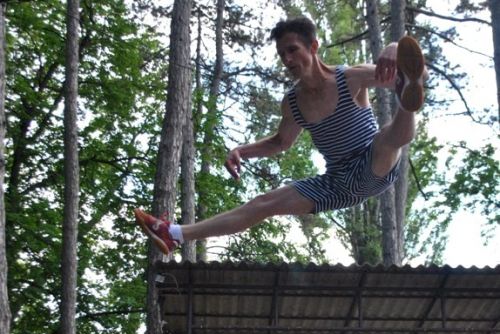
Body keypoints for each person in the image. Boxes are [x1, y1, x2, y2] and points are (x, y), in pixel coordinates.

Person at [134, 16, 427, 255]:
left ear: (313, 46)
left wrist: (394, 48)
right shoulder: (293, 103)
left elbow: (412, 73)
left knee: (387, 138)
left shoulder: (351, 77)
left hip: (373, 163)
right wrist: (242, 151)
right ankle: (174, 234)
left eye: (293, 50)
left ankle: (406, 98)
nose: (287, 59)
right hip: (337, 183)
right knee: (263, 203)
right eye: (282, 54)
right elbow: (281, 142)